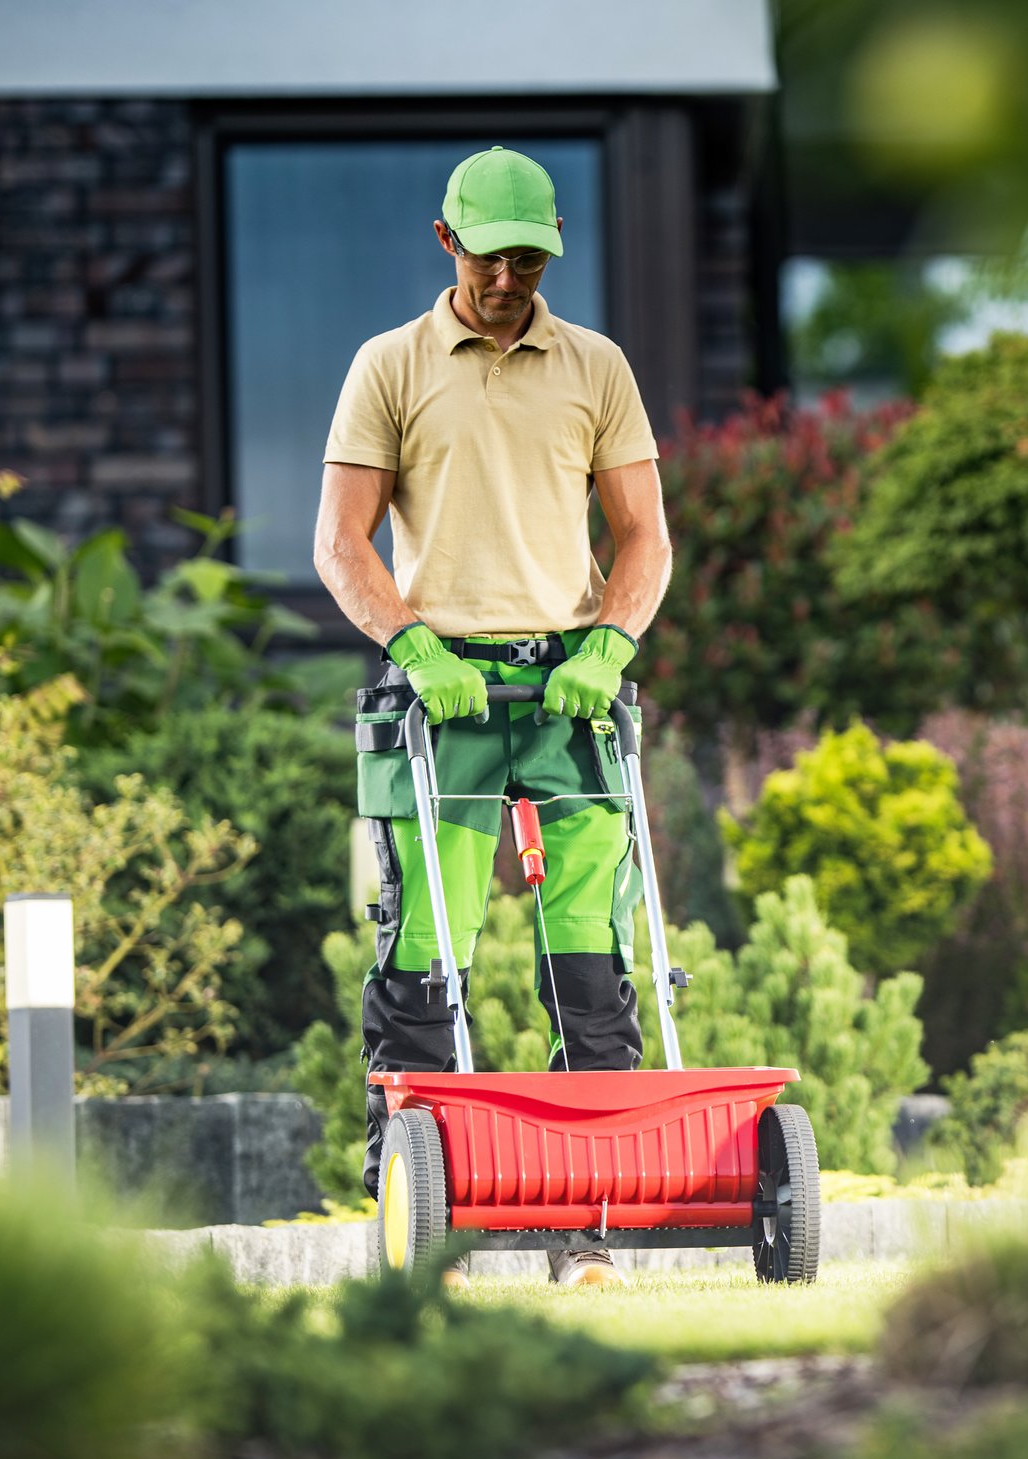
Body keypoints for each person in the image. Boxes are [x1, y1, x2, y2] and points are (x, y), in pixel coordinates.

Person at [313, 145, 672, 1287]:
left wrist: (610, 637)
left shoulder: (597, 366)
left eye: (530, 256)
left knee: (589, 951)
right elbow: (338, 541)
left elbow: (645, 535)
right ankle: (427, 1231)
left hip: (568, 691)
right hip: (439, 704)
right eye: (491, 255)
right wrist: (411, 641)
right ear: (445, 241)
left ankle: (590, 1233)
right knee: (426, 952)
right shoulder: (390, 365)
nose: (511, 277)